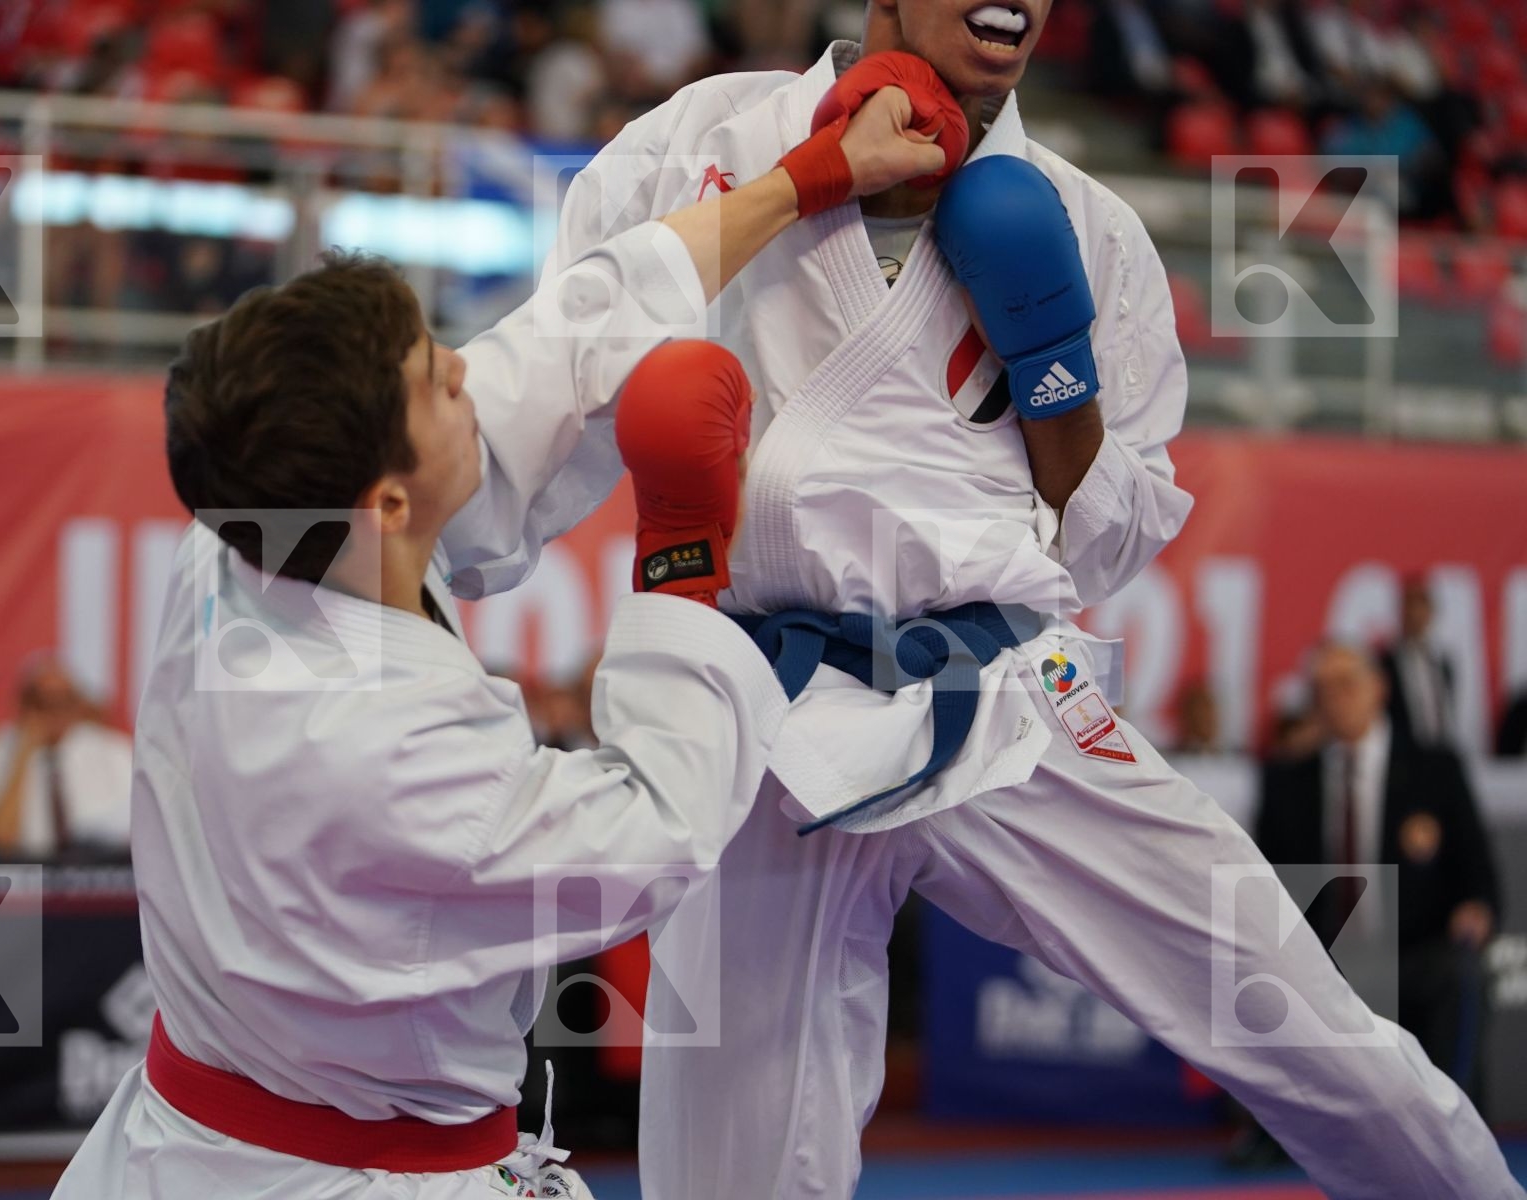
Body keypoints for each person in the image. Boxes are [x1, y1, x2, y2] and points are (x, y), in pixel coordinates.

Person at [438, 2, 1525, 1196]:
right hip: (770, 710)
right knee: (731, 1167)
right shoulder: (699, 146)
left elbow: (1108, 538)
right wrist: (415, 581)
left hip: (1008, 687)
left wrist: (1053, 380)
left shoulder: (1088, 229)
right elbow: (558, 382)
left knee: (1301, 1022)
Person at [56, 83, 943, 1197]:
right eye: (436, 382)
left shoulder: (254, 532)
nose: (467, 372)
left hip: (195, 1138)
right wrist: (679, 556)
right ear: (385, 502)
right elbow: (654, 831)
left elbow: (565, 340)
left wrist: (804, 182)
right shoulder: (377, 744)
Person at [1258, 642, 1503, 1112]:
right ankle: (1272, 1128)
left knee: (1457, 972)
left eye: (1346, 684)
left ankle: (1451, 1117)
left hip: (1415, 950)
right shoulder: (1289, 780)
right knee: (1258, 967)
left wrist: (1476, 908)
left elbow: (1478, 874)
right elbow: (1271, 887)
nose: (1335, 699)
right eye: (1322, 690)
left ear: (1379, 689)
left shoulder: (1435, 769)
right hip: (1325, 961)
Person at [0, 657, 132, 858]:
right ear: (23, 704)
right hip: (24, 878)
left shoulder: (114, 753)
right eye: (42, 702)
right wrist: (25, 751)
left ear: (77, 704)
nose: (54, 712)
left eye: (63, 701)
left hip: (99, 876)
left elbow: (133, 835)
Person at [1379, 574, 1457, 751]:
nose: (1415, 612)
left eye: (1422, 604)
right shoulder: (1384, 663)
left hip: (1442, 753)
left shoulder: (1444, 662)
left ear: (1432, 611)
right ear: (1400, 610)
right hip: (1404, 756)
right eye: (1409, 604)